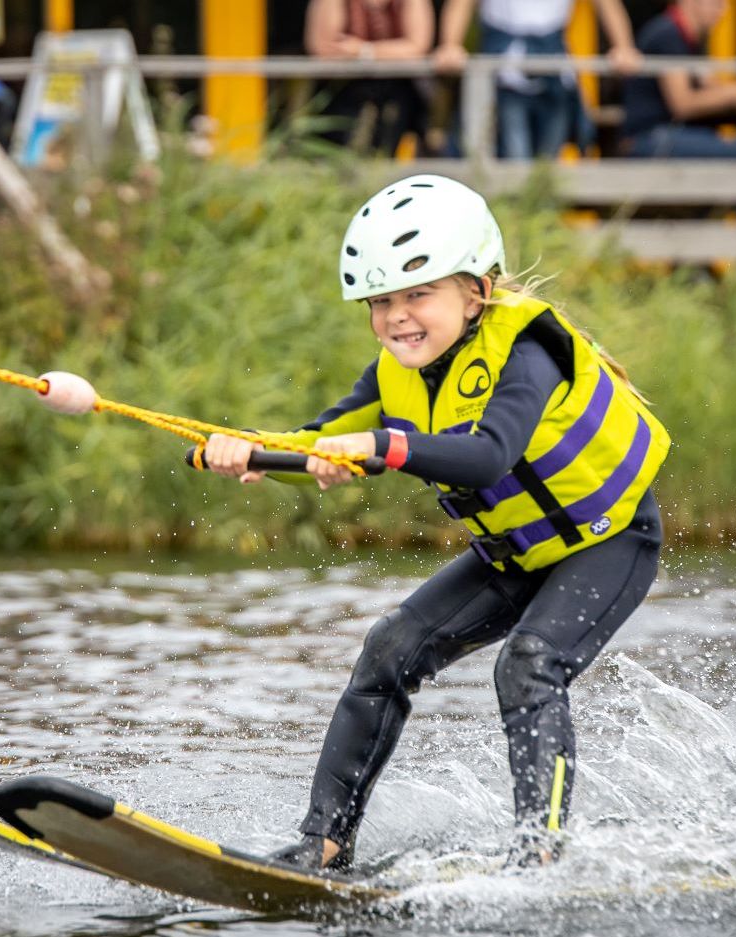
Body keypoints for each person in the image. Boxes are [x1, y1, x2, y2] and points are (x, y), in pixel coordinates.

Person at [201, 175, 670, 870]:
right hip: (514, 554)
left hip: (608, 539)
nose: (397, 317)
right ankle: (322, 843)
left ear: (474, 290)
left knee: (530, 663)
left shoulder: (527, 350)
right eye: (381, 302)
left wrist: (377, 448)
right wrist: (252, 450)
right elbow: (321, 436)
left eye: (418, 295)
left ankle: (539, 854)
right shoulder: (391, 373)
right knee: (389, 648)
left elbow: (487, 456)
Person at [620, 0, 736, 217]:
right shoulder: (668, 34)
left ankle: (711, 243)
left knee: (731, 170)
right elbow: (683, 104)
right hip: (651, 140)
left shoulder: (688, 39)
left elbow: (710, 85)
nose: (723, 11)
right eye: (716, 4)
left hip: (667, 137)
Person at [434, 0, 643, 159]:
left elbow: (608, 5)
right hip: (505, 72)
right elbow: (460, 4)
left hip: (555, 72)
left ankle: (539, 211)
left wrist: (624, 47)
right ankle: (520, 212)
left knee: (549, 158)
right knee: (515, 154)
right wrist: (450, 44)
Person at [304, 0, 436, 155]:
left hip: (399, 93)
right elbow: (323, 47)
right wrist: (391, 52)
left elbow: (418, 47)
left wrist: (363, 50)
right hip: (343, 93)